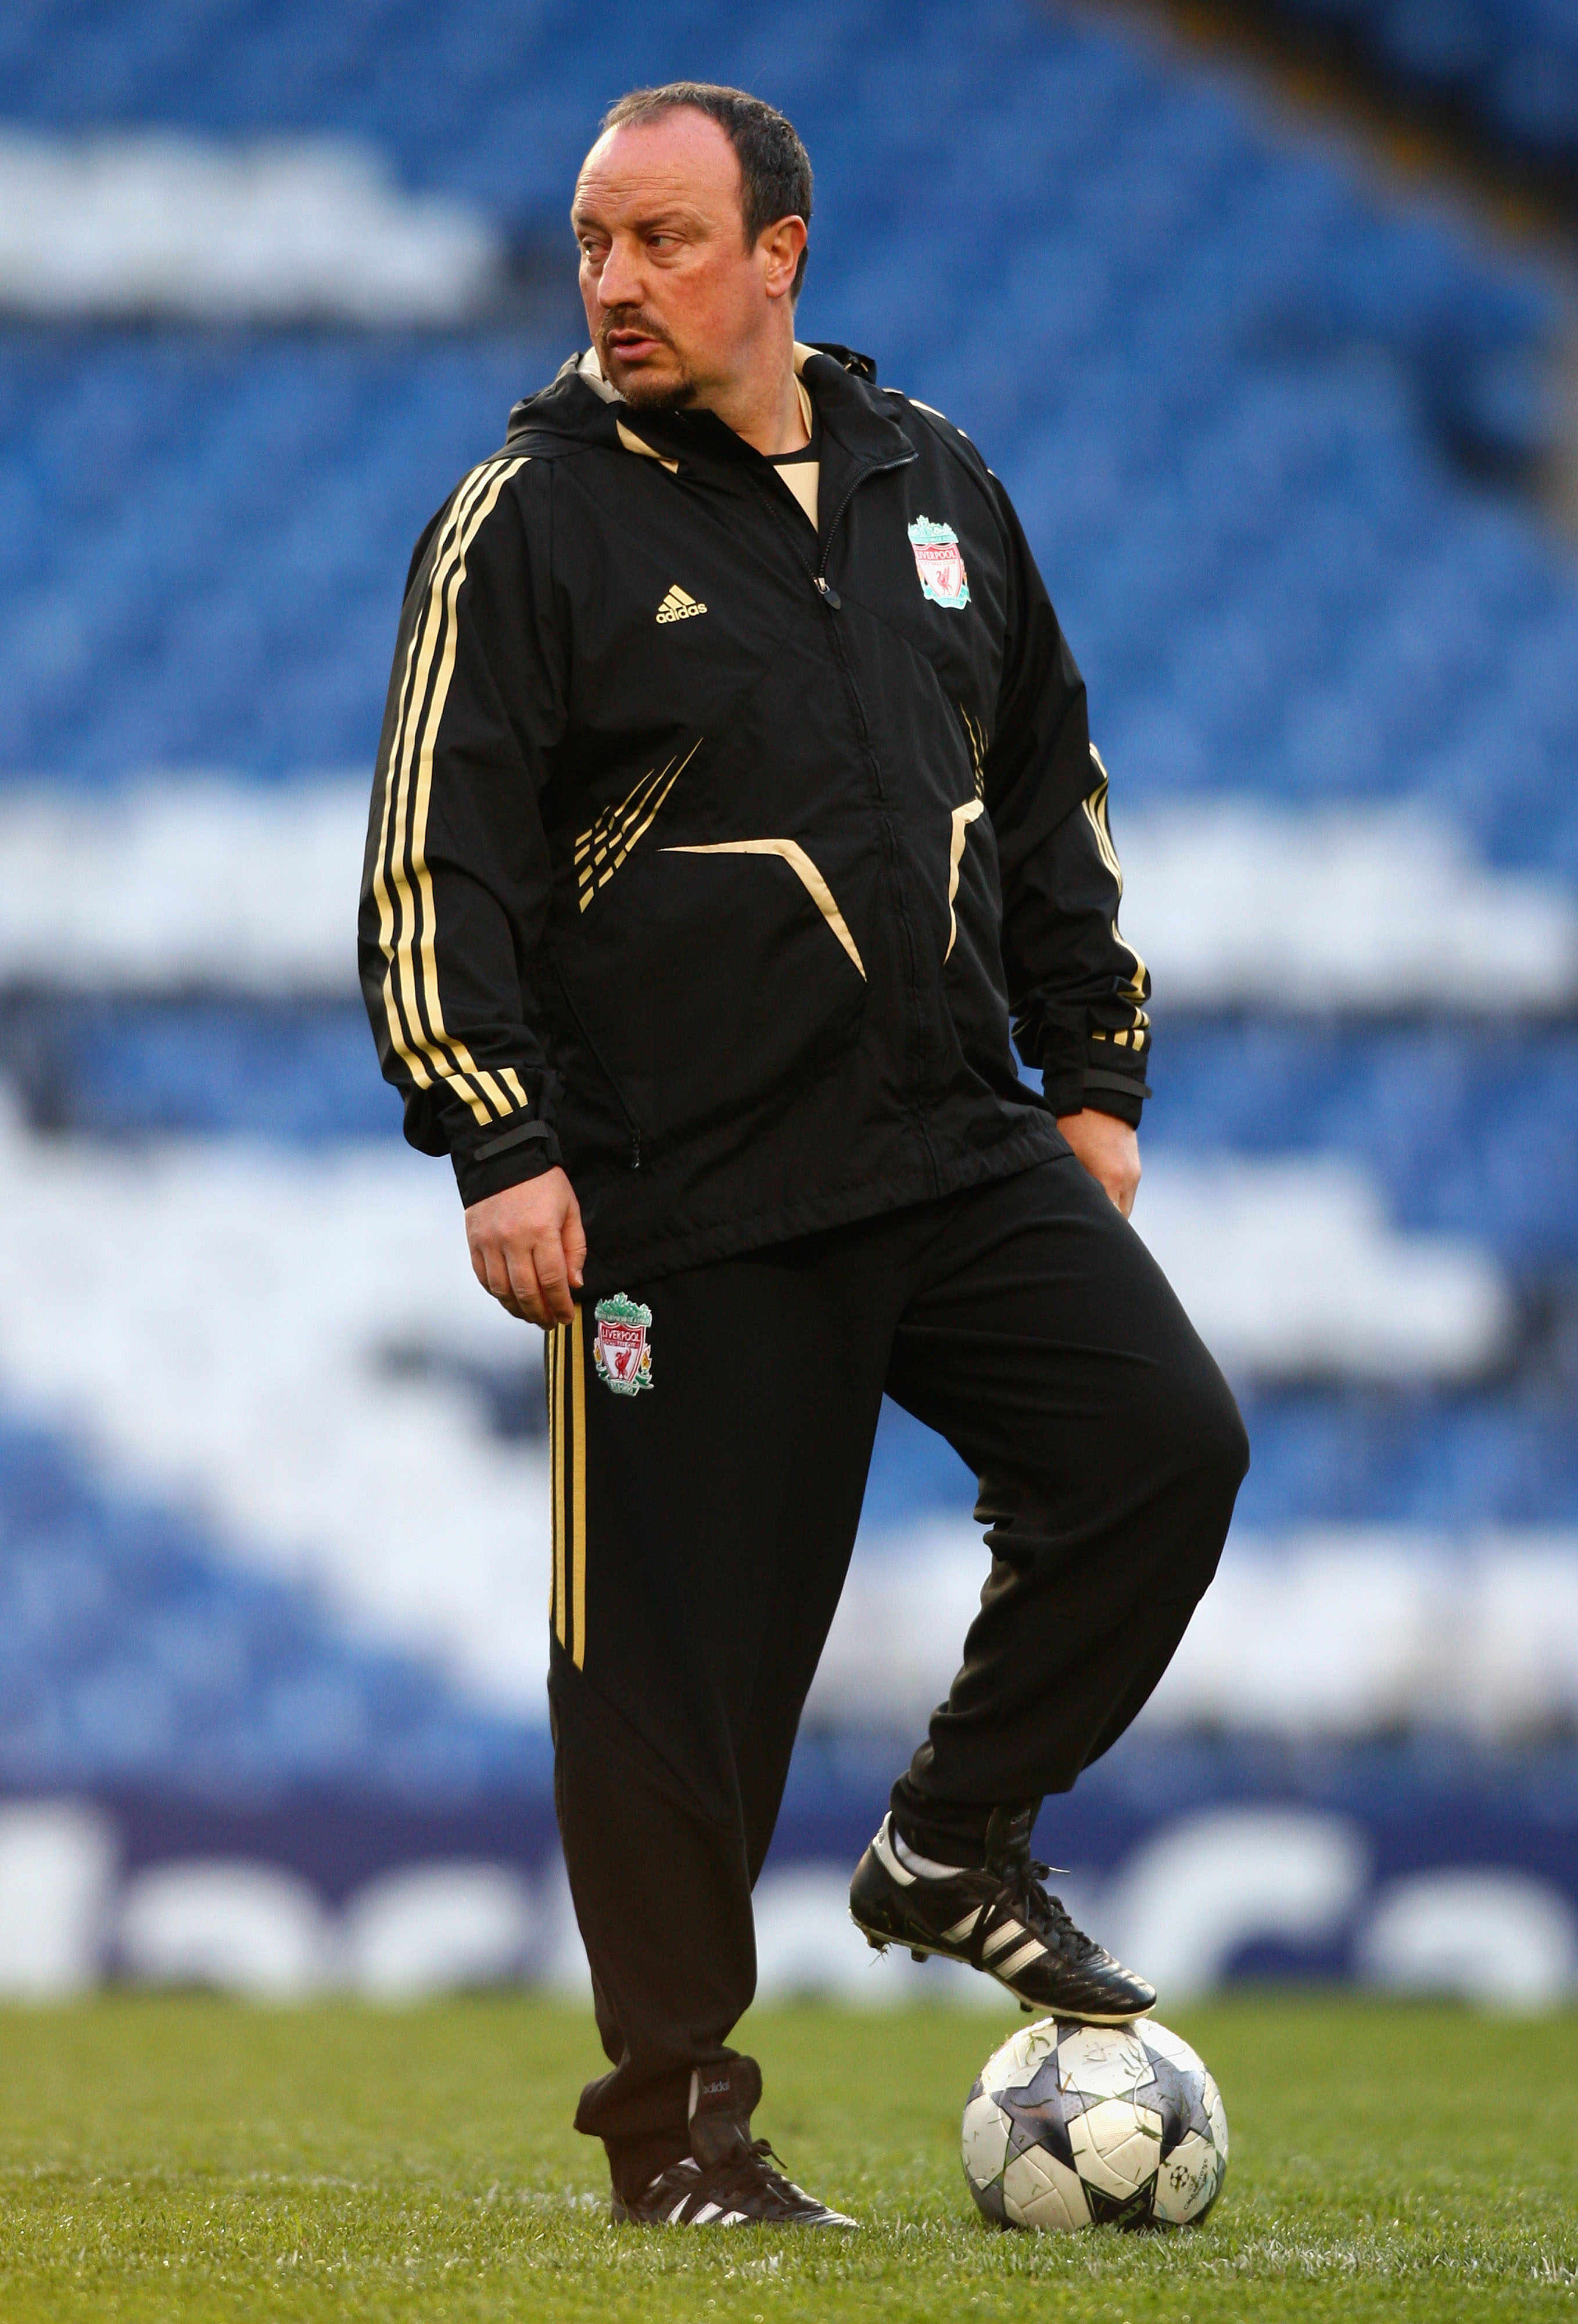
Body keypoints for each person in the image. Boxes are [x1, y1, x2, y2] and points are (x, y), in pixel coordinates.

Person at [359, 81, 1248, 2230]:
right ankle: (676, 2135)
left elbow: (1046, 784)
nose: (616, 280)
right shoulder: (527, 515)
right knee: (676, 1685)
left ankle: (953, 1834)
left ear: (780, 252)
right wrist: (496, 1133)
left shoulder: (932, 477)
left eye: (663, 239)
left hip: (949, 1140)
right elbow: (431, 856)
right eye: (593, 240)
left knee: (1161, 1448)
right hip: (679, 1187)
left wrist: (1095, 1076)